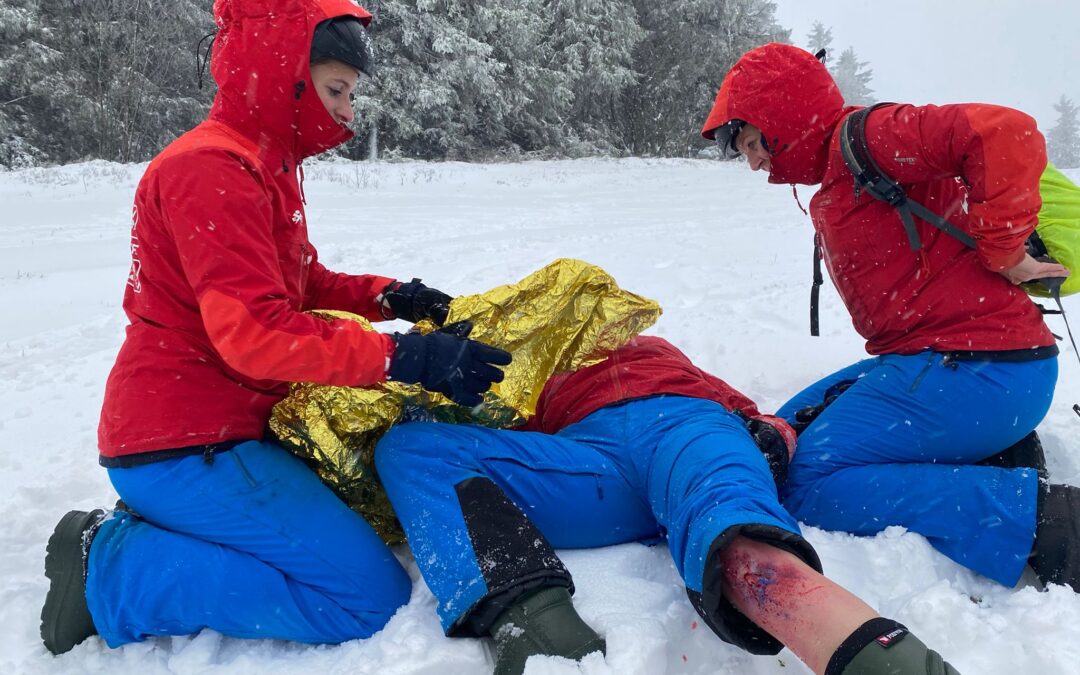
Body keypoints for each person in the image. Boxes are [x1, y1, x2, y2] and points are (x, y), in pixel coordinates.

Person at [38, 0, 510, 656]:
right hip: (184, 442)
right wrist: (403, 357)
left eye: (351, 94)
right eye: (336, 89)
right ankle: (112, 571)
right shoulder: (211, 168)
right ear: (282, 71)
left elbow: (300, 282)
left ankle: (184, 529)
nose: (347, 111)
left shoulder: (261, 162)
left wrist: (391, 296)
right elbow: (255, 333)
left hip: (224, 431)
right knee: (367, 600)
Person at [700, 43, 1080, 594]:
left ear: (783, 115)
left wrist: (1005, 253)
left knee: (806, 483)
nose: (755, 162)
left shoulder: (871, 137)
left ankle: (1046, 519)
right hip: (946, 364)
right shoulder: (838, 172)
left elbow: (1004, 132)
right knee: (780, 435)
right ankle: (990, 452)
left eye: (754, 142)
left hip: (986, 370)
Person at [375, 336, 960, 675]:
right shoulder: (538, 373)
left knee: (737, 539)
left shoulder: (662, 354)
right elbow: (499, 439)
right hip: (589, 463)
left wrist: (771, 432)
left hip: (686, 428)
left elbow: (754, 416)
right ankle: (538, 636)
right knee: (411, 447)